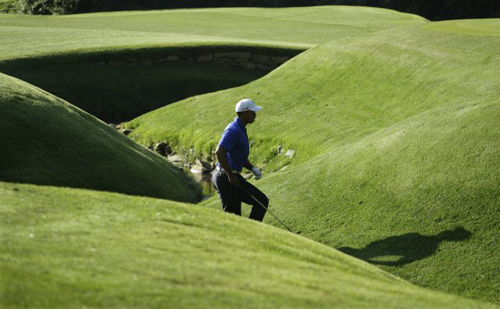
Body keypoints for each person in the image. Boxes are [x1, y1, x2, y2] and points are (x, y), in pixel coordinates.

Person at [212, 99, 269, 222]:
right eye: (253, 112)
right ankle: (250, 235)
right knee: (261, 201)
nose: (255, 115)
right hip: (226, 178)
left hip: (225, 176)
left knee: (234, 217)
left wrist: (252, 168)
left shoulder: (240, 128)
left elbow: (238, 155)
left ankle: (241, 238)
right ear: (245, 113)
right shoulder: (234, 130)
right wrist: (230, 175)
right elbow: (220, 152)